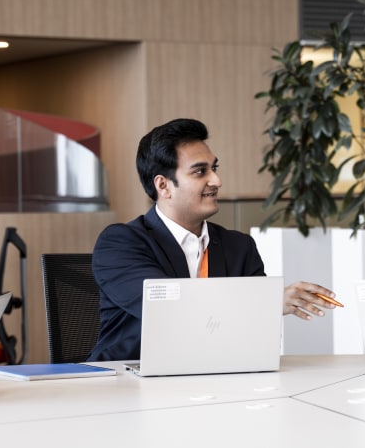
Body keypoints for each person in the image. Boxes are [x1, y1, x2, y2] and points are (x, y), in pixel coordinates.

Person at [87, 118, 337, 361]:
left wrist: (264, 309)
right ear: (163, 186)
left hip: (218, 379)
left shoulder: (239, 247)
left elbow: (257, 336)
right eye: (199, 171)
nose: (216, 181)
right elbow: (169, 310)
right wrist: (266, 303)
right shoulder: (120, 243)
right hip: (128, 386)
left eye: (214, 168)